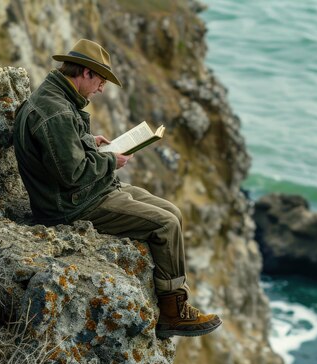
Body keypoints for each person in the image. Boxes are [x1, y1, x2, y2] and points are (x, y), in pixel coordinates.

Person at [12, 39, 221, 338]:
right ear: (85, 73)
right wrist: (111, 161)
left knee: (173, 210)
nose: (101, 89)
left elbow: (61, 154)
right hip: (71, 204)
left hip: (87, 191)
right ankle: (173, 313)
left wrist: (89, 142)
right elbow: (72, 174)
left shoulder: (57, 99)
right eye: (100, 81)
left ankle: (176, 304)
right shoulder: (56, 111)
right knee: (166, 224)